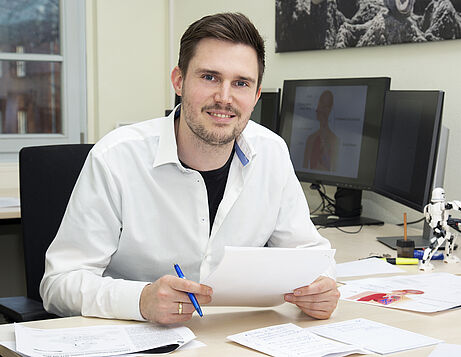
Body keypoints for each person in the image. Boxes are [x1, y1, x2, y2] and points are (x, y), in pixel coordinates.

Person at [40, 12, 339, 325]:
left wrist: (322, 287)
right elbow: (58, 285)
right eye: (209, 77)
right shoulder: (115, 158)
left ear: (255, 95)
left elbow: (310, 254)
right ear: (179, 81)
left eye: (240, 83)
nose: (224, 98)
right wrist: (140, 301)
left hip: (230, 338)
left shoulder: (271, 152)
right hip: (136, 339)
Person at [303, 90, 340, 172]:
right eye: (320, 103)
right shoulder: (310, 139)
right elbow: (304, 169)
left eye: (325, 106)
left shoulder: (334, 141)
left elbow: (334, 170)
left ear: (330, 110)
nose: (320, 109)